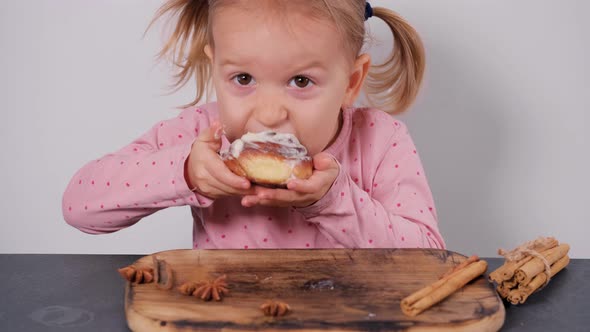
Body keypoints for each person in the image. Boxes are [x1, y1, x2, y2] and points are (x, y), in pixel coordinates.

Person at [62, 0, 445, 250]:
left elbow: (428, 257)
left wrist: (333, 201)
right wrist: (186, 172)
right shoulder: (204, 135)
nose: (269, 113)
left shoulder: (379, 140)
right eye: (243, 79)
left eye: (301, 81)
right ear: (216, 68)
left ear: (350, 82)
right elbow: (79, 206)